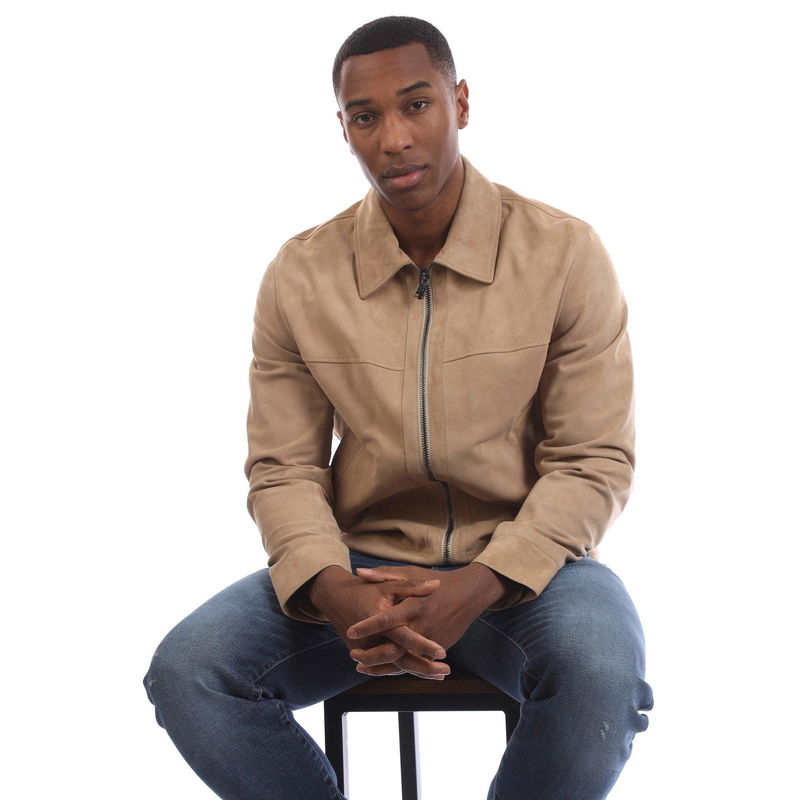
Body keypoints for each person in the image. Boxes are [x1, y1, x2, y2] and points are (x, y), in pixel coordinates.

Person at [143, 15, 654, 800]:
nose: (393, 138)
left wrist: (484, 581)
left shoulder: (563, 253)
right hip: (360, 571)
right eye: (365, 116)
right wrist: (333, 588)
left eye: (416, 105)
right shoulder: (301, 274)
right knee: (189, 673)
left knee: (602, 677)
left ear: (461, 103)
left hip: (528, 573)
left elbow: (593, 461)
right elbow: (282, 468)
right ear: (343, 128)